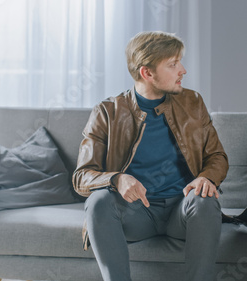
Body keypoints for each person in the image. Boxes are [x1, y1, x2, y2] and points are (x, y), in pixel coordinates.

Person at [72, 31, 228, 281]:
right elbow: (81, 177)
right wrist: (117, 179)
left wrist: (206, 177)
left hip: (182, 210)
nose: (183, 70)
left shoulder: (192, 102)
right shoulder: (107, 112)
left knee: (204, 197)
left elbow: (217, 156)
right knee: (98, 201)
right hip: (135, 214)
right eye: (173, 64)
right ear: (147, 73)